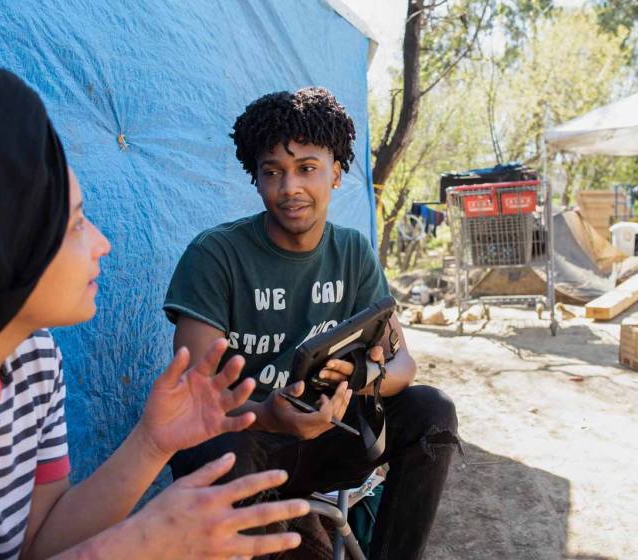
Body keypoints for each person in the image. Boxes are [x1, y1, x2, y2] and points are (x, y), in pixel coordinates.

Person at [0, 52, 310, 560]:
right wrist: (135, 546)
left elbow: (38, 544)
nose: (101, 242)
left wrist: (151, 444)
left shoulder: (31, 358)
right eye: (74, 223)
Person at [164, 87, 459, 559]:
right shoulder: (216, 256)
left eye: (306, 168)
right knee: (215, 450)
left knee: (432, 412)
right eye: (272, 172)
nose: (290, 188)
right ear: (256, 179)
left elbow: (404, 365)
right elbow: (193, 399)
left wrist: (363, 377)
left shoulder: (352, 253)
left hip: (329, 437)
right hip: (247, 442)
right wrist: (266, 415)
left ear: (336, 173)